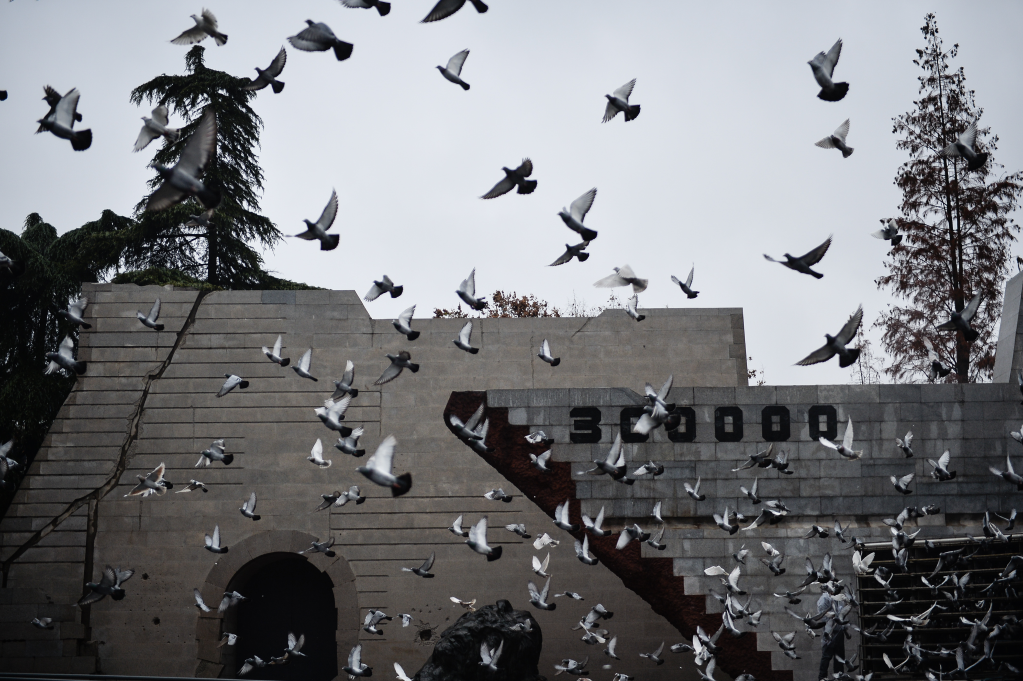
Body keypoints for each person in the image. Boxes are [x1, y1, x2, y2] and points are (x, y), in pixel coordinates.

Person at [817, 587, 846, 680]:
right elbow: (822, 616)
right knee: (826, 656)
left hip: (839, 631)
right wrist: (832, 617)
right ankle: (822, 678)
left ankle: (838, 678)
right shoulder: (824, 599)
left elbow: (842, 614)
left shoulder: (838, 599)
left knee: (839, 658)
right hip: (829, 632)